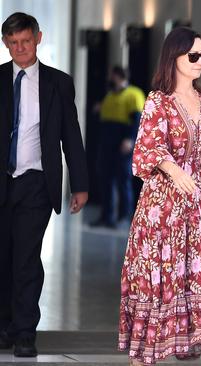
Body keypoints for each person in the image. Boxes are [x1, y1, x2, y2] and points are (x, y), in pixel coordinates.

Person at [118, 27, 201, 366]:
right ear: (174, 59)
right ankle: (143, 358)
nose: (199, 62)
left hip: (199, 211)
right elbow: (148, 149)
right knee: (159, 282)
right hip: (162, 210)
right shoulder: (158, 101)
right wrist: (174, 170)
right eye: (193, 56)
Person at [0, 12, 89, 357]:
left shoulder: (58, 83)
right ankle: (5, 325)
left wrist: (79, 184)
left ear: (38, 37)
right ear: (6, 44)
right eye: (12, 43)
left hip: (37, 182)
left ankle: (24, 332)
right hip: (2, 181)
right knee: (3, 258)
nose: (19, 48)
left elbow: (71, 135)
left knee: (25, 258)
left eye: (25, 41)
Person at [92, 65, 145, 228]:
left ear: (119, 76)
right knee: (105, 178)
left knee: (123, 179)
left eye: (112, 76)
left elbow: (137, 120)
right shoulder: (110, 95)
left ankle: (125, 216)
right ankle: (106, 216)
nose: (110, 79)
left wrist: (130, 139)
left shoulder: (134, 94)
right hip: (107, 140)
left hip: (123, 140)